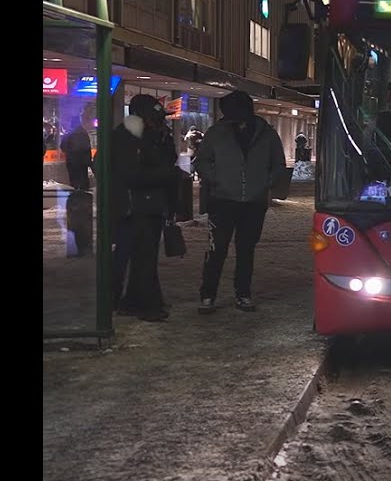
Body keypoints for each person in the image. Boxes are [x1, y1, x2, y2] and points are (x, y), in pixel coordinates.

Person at [194, 90, 287, 314]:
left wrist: (264, 183)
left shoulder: (266, 134)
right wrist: (215, 178)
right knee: (217, 250)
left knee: (246, 250)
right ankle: (208, 295)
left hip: (253, 202)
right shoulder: (217, 132)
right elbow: (202, 161)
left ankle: (243, 294)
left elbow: (279, 165)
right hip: (222, 200)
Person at [111, 94, 181, 322]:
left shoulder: (151, 135)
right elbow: (132, 174)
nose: (159, 121)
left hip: (150, 205)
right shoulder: (127, 138)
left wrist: (163, 139)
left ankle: (133, 301)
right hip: (135, 207)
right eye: (155, 118)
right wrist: (167, 173)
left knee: (145, 256)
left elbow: (168, 159)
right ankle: (145, 304)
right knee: (142, 258)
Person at [61, 104, 96, 257]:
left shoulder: (70, 135)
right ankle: (83, 245)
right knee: (81, 203)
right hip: (80, 174)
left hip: (73, 172)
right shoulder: (81, 135)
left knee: (76, 201)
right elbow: (86, 156)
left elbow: (64, 147)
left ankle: (77, 244)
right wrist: (92, 167)